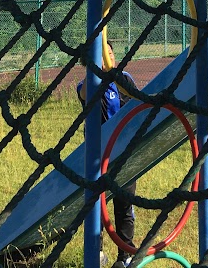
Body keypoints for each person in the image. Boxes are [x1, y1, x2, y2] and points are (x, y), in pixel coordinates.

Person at [77, 42, 136, 268]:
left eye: (110, 53)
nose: (108, 57)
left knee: (124, 205)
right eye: (102, 54)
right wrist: (93, 69)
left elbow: (136, 101)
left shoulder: (124, 79)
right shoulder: (88, 85)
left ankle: (125, 256)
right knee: (97, 205)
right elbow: (84, 94)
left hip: (123, 153)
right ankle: (97, 252)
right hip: (98, 156)